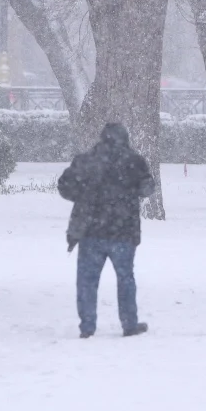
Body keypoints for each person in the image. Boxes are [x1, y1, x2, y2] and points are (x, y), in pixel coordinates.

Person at [58, 122, 154, 338]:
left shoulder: (85, 161)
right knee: (126, 278)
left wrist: (83, 196)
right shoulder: (134, 162)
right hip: (123, 231)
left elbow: (64, 186)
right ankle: (129, 324)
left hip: (91, 231)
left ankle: (87, 326)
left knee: (87, 281)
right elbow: (147, 188)